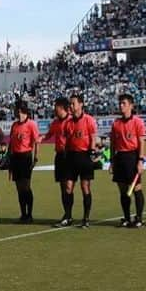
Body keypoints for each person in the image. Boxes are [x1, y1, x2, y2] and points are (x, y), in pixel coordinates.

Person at [60, 93, 98, 228]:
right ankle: (68, 216)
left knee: (85, 187)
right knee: (68, 187)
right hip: (71, 156)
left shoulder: (89, 120)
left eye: (73, 103)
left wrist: (92, 152)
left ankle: (86, 218)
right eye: (70, 103)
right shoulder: (68, 123)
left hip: (85, 156)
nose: (71, 106)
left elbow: (93, 138)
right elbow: (66, 139)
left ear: (81, 104)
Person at [110, 93, 146, 228]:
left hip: (132, 157)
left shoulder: (138, 122)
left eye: (124, 103)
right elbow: (113, 144)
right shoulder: (116, 123)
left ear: (131, 106)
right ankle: (126, 217)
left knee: (136, 188)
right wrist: (112, 162)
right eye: (120, 103)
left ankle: (139, 218)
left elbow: (141, 142)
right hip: (120, 158)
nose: (121, 106)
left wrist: (140, 160)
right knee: (123, 190)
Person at [7, 100, 41, 223]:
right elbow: (11, 143)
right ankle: (23, 214)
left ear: (22, 111)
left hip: (26, 157)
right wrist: (9, 157)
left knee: (26, 186)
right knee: (18, 187)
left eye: (17, 110)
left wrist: (35, 157)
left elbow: (36, 141)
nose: (16, 112)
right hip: (15, 157)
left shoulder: (31, 124)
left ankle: (30, 214)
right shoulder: (14, 125)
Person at [49, 96, 72, 224]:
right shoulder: (55, 122)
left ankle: (69, 215)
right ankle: (67, 214)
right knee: (63, 187)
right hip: (59, 156)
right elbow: (49, 134)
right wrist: (41, 138)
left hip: (69, 155)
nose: (54, 109)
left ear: (62, 107)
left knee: (69, 186)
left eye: (56, 106)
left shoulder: (71, 121)